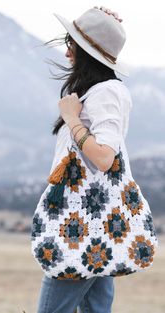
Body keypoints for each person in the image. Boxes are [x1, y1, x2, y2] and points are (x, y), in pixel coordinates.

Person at [36, 6, 132, 313]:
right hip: (94, 225)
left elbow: (104, 157)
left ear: (87, 53)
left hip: (82, 229)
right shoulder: (100, 92)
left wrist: (71, 117)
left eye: (71, 44)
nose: (67, 53)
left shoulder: (107, 93)